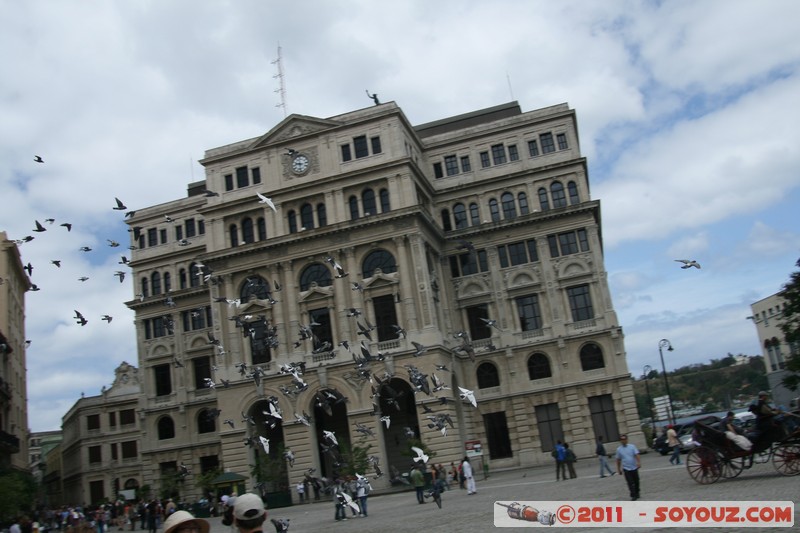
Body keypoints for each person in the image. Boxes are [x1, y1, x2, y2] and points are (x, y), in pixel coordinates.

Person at [615, 434, 641, 501]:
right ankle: (633, 495)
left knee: (636, 481)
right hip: (626, 468)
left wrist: (638, 462)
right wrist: (618, 469)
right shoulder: (619, 449)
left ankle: (637, 492)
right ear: (620, 441)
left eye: (624, 439)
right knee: (630, 482)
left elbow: (636, 454)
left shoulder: (632, 447)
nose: (623, 441)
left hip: (634, 467)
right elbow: (618, 460)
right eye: (622, 440)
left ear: (627, 440)